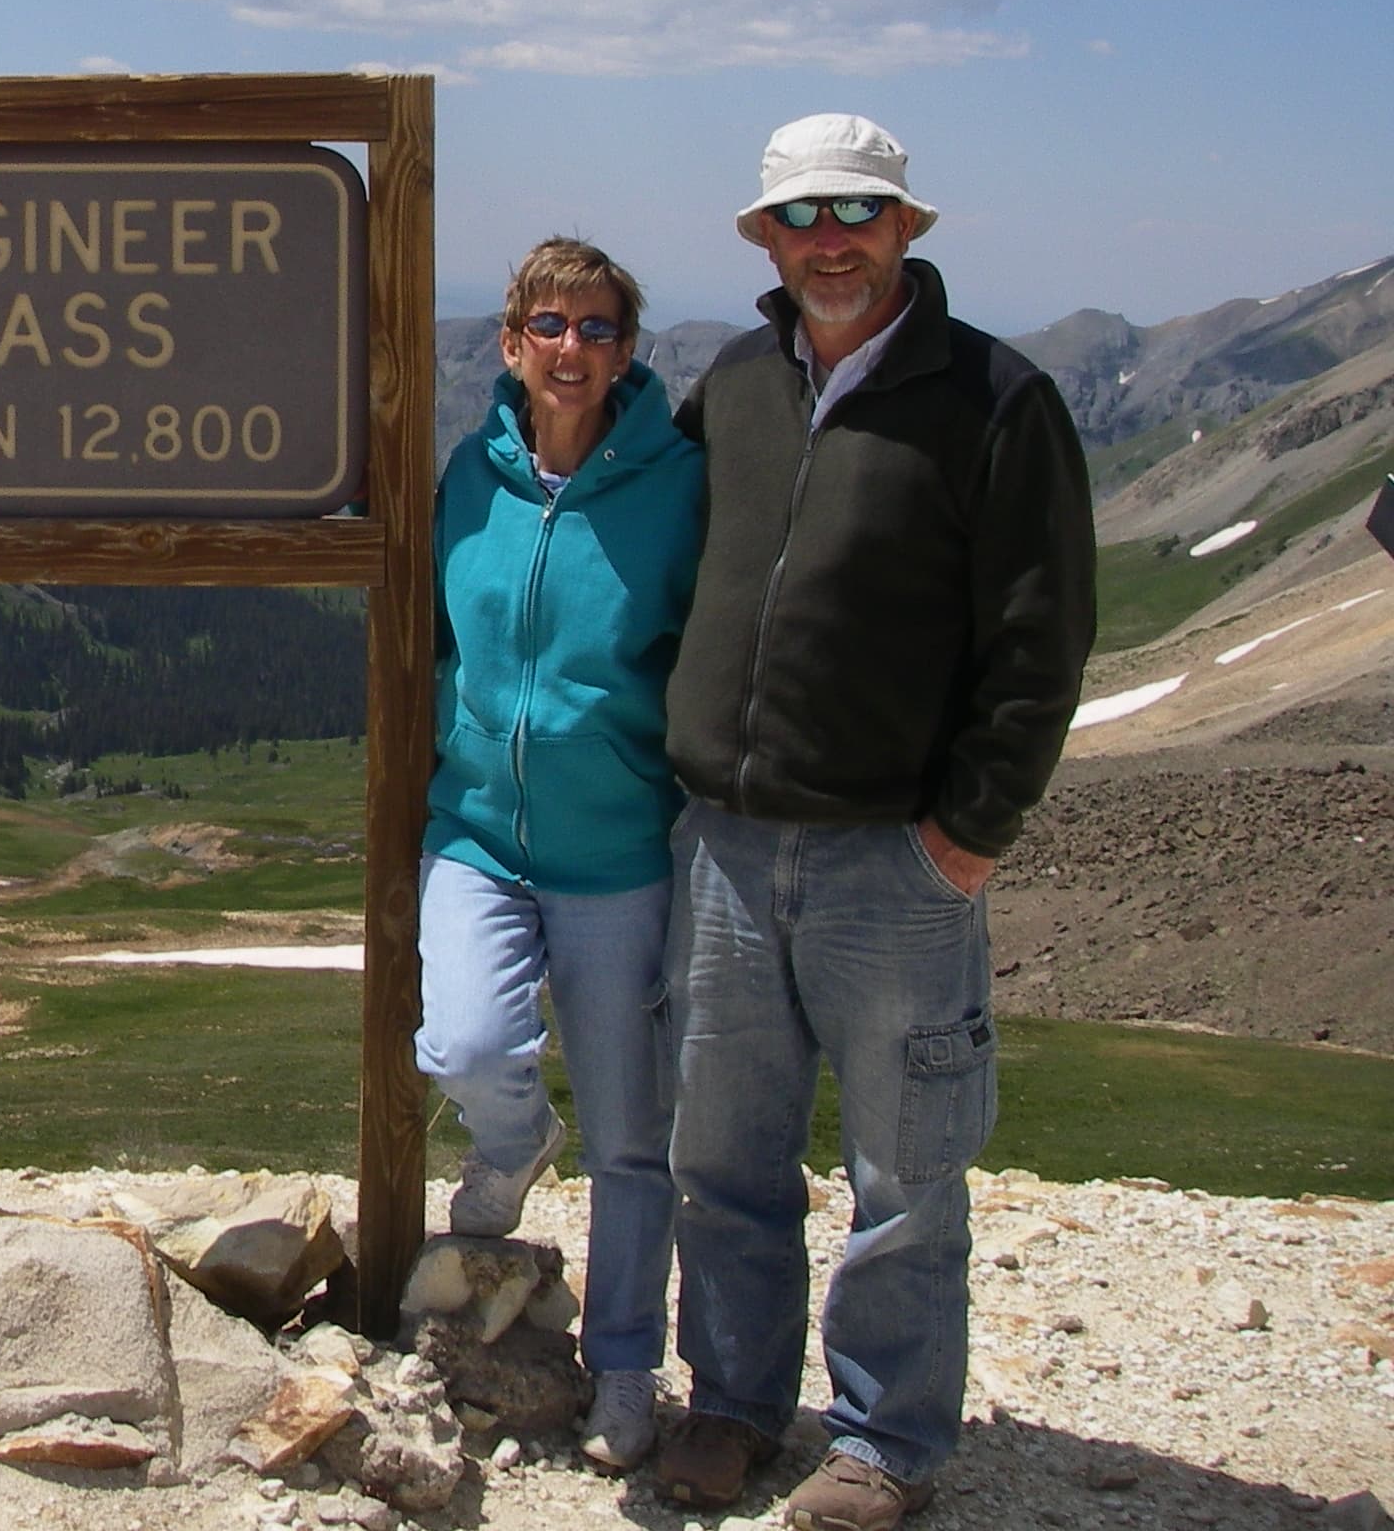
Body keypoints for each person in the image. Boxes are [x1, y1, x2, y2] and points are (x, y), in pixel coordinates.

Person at [653, 116, 1095, 1530]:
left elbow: (1041, 635)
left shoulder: (995, 397)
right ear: (764, 239)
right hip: (724, 844)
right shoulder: (735, 381)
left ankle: (883, 1442)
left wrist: (968, 833)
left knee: (906, 1174)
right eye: (800, 217)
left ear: (905, 226)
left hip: (893, 857)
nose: (828, 241)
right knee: (722, 1156)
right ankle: (730, 1405)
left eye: (856, 212)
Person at [413, 237, 704, 1475]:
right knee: (464, 1044)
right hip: (477, 830)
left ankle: (625, 1370)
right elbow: (432, 639)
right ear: (510, 343)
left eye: (595, 328)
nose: (569, 348)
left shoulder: (676, 485)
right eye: (547, 324)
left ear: (626, 349)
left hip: (618, 847)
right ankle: (513, 1141)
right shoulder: (467, 477)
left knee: (633, 1136)